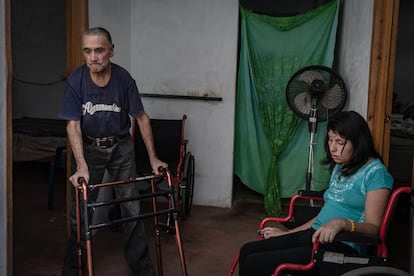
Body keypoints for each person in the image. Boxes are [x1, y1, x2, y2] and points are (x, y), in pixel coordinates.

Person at [59, 27, 167, 276]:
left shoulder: (124, 79)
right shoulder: (76, 81)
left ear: (111, 50)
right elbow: (72, 124)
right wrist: (82, 165)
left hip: (121, 148)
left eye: (99, 50)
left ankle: (141, 267)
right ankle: (73, 268)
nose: (93, 57)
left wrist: (153, 159)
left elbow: (141, 118)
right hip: (90, 149)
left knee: (132, 208)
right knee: (80, 212)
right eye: (87, 51)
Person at [238, 111, 393, 276]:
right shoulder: (342, 166)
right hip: (314, 236)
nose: (332, 148)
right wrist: (289, 234)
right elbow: (323, 215)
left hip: (341, 245)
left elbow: (373, 228)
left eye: (340, 142)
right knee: (247, 250)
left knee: (254, 263)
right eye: (330, 139)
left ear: (358, 142)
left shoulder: (376, 173)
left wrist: (342, 223)